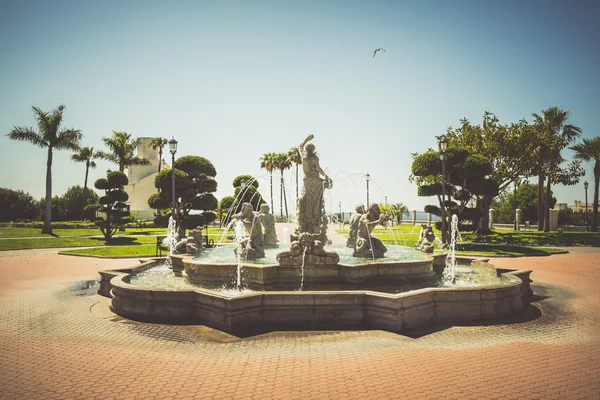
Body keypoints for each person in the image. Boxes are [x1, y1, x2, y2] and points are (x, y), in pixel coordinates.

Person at [297, 134, 332, 235]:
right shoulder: (314, 158)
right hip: (316, 180)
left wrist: (306, 139)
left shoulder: (303, 155)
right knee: (317, 200)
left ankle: (308, 217)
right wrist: (326, 177)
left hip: (307, 180)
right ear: (312, 150)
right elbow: (319, 169)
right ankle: (315, 217)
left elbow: (300, 146)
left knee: (308, 198)